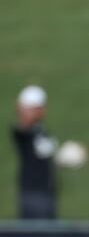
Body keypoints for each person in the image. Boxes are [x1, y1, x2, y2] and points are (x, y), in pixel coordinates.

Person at [11, 86, 58, 219]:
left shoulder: (42, 132)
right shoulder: (23, 133)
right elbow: (23, 128)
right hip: (32, 194)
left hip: (47, 193)